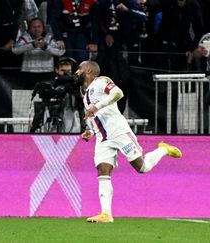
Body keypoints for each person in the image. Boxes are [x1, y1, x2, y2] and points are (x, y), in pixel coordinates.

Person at [76, 60, 182, 223]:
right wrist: (89, 131)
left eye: (80, 68)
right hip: (102, 138)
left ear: (89, 71)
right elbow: (93, 116)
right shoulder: (85, 94)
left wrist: (98, 106)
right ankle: (106, 213)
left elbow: (118, 93)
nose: (77, 72)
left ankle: (163, 149)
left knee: (142, 167)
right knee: (103, 171)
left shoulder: (101, 81)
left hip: (118, 131)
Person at [29, 56, 82, 133]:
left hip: (73, 129)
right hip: (51, 126)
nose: (66, 74)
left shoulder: (76, 86)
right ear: (56, 70)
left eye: (69, 71)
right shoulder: (49, 84)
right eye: (63, 71)